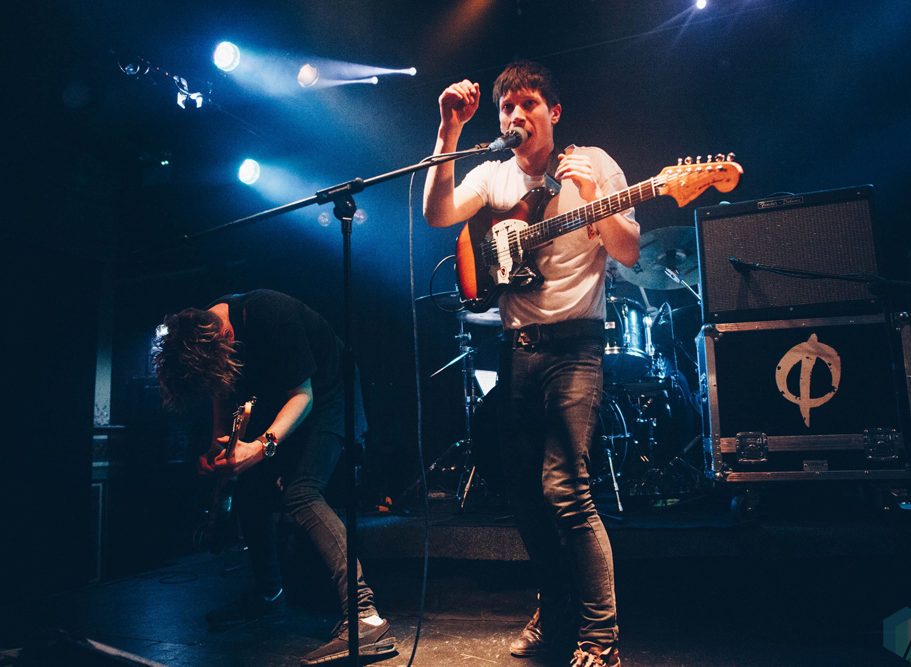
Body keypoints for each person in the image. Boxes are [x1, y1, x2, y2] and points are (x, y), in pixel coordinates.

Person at [423, 61, 640, 667]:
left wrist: (595, 201)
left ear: (554, 112)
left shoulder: (592, 164)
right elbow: (438, 215)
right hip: (516, 350)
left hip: (576, 349)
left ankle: (600, 637)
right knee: (523, 497)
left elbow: (628, 250)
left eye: (528, 105)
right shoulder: (492, 174)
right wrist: (448, 130)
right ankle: (556, 608)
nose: (516, 116)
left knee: (566, 490)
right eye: (506, 109)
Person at [155, 289, 396, 665]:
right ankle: (269, 595)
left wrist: (259, 447)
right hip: (285, 401)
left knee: (302, 492)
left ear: (227, 336)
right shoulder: (210, 332)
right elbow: (222, 389)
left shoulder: (271, 314)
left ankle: (366, 617)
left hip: (328, 395)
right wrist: (218, 446)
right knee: (250, 488)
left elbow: (303, 396)